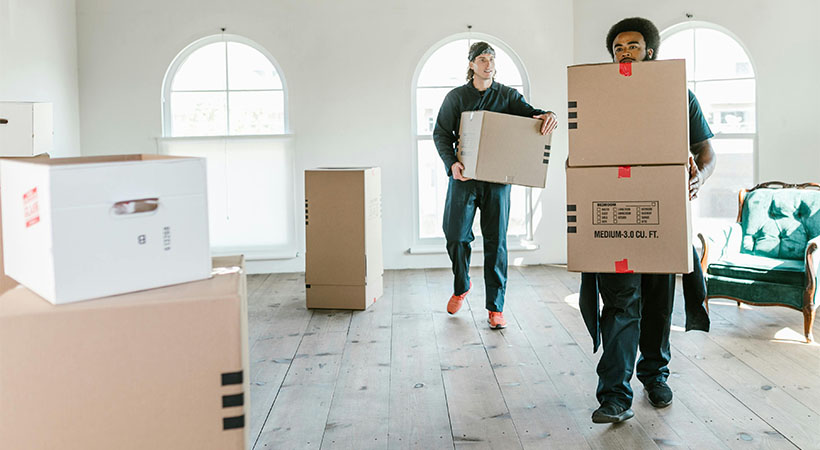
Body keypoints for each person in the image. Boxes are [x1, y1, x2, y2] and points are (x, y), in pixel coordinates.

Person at [579, 17, 716, 424]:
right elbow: (584, 156)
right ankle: (615, 396)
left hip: (662, 216)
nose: (624, 51)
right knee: (620, 305)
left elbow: (707, 153)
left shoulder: (678, 95)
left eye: (633, 45)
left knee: (657, 305)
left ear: (650, 51)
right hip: (613, 218)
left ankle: (655, 376)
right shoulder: (598, 98)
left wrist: (699, 178)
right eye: (618, 47)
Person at [433, 41, 557, 329]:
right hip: (464, 178)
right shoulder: (456, 97)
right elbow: (440, 133)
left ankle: (495, 307)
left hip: (498, 181)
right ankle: (462, 285)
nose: (488, 64)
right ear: (471, 65)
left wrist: (548, 115)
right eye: (482, 59)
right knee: (455, 235)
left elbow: (532, 115)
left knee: (496, 242)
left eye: (492, 59)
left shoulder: (508, 95)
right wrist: (452, 164)